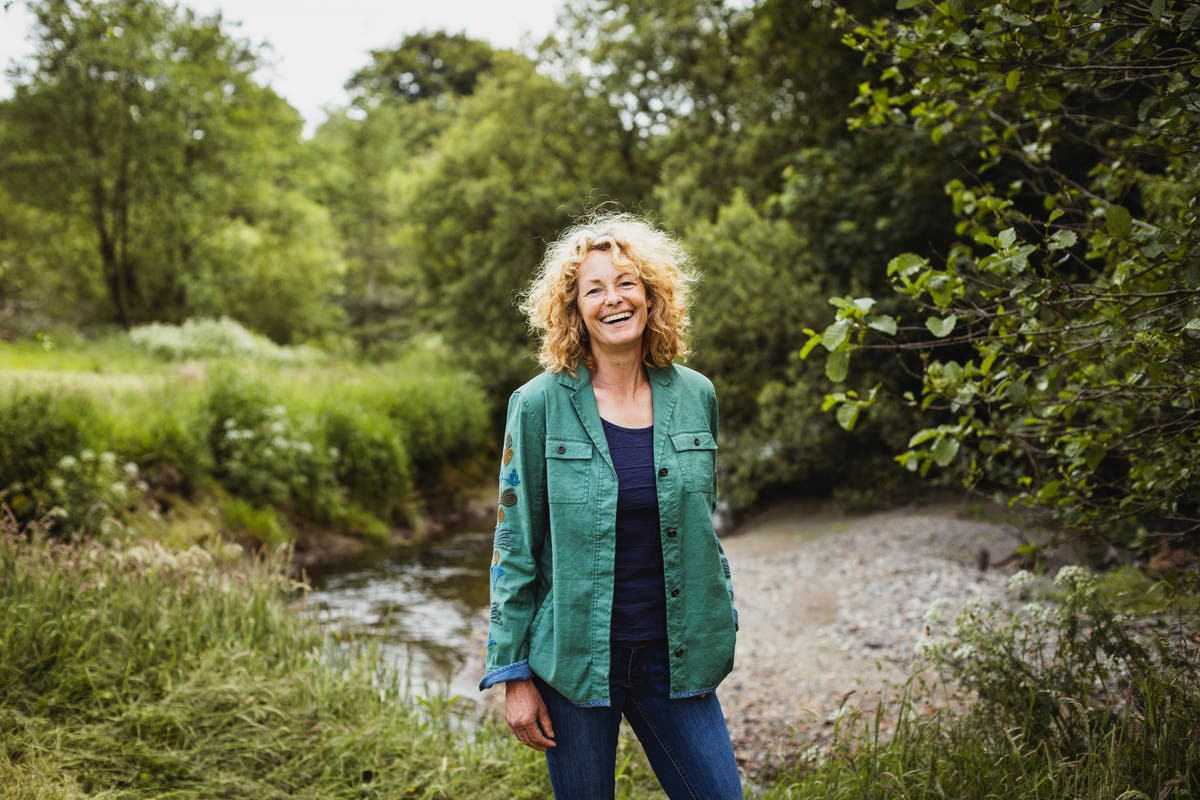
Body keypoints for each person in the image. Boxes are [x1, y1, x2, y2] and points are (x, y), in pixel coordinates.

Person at [479, 213, 742, 799]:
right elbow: (514, 543)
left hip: (677, 657)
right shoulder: (538, 404)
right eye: (593, 289)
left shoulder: (697, 395)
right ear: (573, 310)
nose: (613, 299)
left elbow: (702, 524)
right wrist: (513, 675)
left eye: (626, 282)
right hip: (573, 661)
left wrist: (722, 611)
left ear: (651, 295)